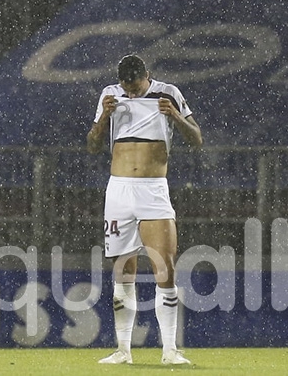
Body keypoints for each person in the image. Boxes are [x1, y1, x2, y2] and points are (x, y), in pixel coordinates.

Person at [86, 54, 203, 366]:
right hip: (119, 191)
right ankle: (123, 350)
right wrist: (104, 117)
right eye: (128, 88)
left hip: (153, 189)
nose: (132, 93)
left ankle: (170, 350)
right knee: (123, 272)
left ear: (147, 76)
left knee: (164, 268)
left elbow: (197, 139)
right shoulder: (110, 95)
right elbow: (92, 145)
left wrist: (175, 116)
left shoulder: (168, 93)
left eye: (136, 87)